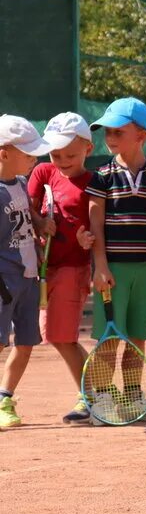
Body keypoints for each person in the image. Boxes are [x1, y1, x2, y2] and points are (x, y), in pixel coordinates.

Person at [86, 97, 146, 423]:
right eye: (106, 132)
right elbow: (95, 222)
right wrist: (100, 265)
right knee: (110, 340)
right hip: (112, 271)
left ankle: (131, 399)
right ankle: (99, 403)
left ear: (141, 135)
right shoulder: (101, 176)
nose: (109, 138)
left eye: (117, 131)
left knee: (137, 338)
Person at [27, 112, 97, 423]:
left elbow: (98, 226)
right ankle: (96, 393)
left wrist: (87, 240)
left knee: (60, 336)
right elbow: (25, 206)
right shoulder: (43, 173)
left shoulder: (95, 183)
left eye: (70, 154)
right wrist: (41, 222)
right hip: (43, 269)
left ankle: (91, 396)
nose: (62, 160)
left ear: (88, 150)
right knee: (56, 335)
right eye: (56, 153)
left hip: (74, 268)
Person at [0, 115, 53, 427]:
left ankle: (5, 397)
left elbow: (31, 216)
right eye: (28, 153)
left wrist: (42, 223)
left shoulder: (20, 183)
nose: (35, 158)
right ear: (4, 153)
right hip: (4, 282)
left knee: (27, 341)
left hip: (29, 279)